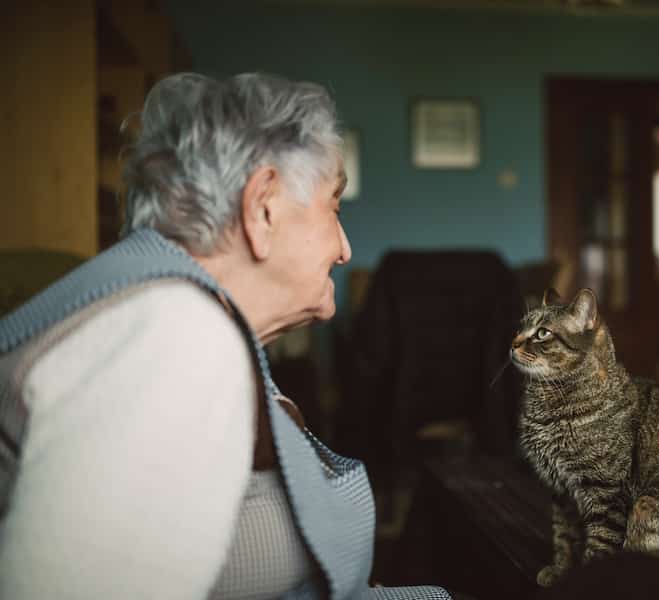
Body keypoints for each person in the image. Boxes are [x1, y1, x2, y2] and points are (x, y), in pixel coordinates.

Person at [0, 73, 450, 599]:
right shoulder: (176, 336)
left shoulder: (180, 319)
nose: (346, 249)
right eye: (335, 207)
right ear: (263, 208)